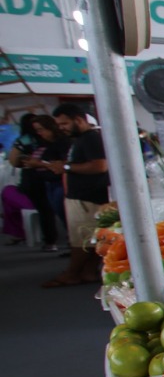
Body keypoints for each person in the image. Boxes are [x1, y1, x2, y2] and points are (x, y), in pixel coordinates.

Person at [39, 102, 109, 287]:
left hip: (88, 196)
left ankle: (72, 273)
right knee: (91, 238)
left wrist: (66, 167)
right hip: (83, 195)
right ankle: (87, 272)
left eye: (64, 124)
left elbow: (100, 165)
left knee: (82, 240)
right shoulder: (81, 139)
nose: (61, 129)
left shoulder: (91, 138)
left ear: (78, 120)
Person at [13, 113, 66, 249]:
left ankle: (53, 241)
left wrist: (39, 164)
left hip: (49, 181)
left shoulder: (56, 142)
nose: (39, 132)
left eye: (40, 129)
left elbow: (13, 160)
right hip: (46, 181)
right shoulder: (45, 142)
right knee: (52, 211)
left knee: (50, 211)